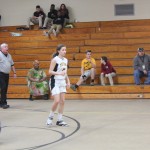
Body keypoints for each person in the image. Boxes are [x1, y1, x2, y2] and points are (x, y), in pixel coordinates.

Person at [46, 44, 70, 126]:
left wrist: (68, 81)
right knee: (57, 101)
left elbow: (65, 72)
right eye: (63, 50)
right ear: (58, 51)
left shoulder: (66, 60)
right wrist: (59, 73)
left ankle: (59, 120)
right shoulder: (55, 60)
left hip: (62, 82)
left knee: (62, 101)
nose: (64, 51)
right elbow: (50, 72)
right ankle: (50, 118)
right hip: (55, 81)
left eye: (65, 50)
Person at [0, 43, 17, 109]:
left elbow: (12, 65)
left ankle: (2, 102)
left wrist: (14, 73)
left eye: (7, 46)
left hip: (6, 74)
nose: (7, 48)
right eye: (5, 47)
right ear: (1, 49)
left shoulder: (9, 55)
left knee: (5, 89)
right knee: (3, 88)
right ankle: (3, 103)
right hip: (0, 74)